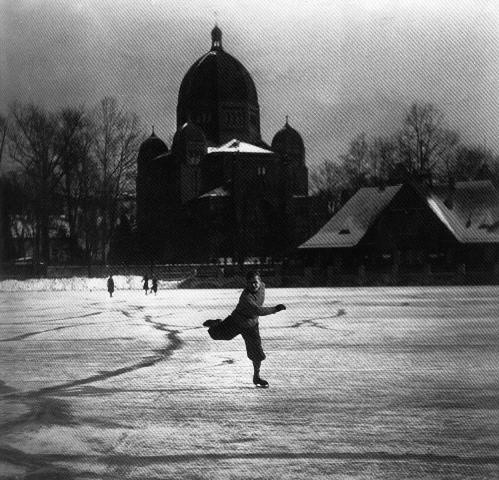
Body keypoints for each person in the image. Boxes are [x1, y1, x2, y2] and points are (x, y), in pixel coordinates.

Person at [203, 270, 286, 388]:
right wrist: (275, 309)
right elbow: (258, 311)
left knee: (257, 354)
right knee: (217, 335)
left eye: (256, 282)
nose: (254, 285)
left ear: (260, 281)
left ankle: (256, 377)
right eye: (251, 283)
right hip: (236, 321)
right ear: (247, 284)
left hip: (252, 325)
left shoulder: (262, 287)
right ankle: (216, 324)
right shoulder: (246, 297)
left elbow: (258, 304)